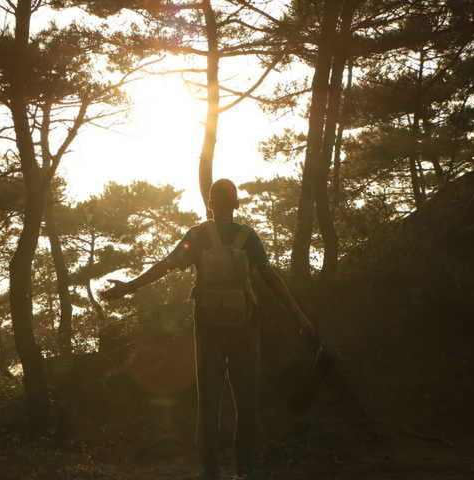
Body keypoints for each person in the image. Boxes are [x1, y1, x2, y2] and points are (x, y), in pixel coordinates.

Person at [102, 178, 315, 480]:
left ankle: (210, 472)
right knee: (247, 402)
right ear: (236, 203)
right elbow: (271, 278)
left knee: (209, 403)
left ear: (211, 204)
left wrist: (128, 287)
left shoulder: (198, 236)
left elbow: (165, 265)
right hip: (244, 327)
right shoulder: (248, 237)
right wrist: (300, 317)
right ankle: (247, 471)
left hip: (208, 328)